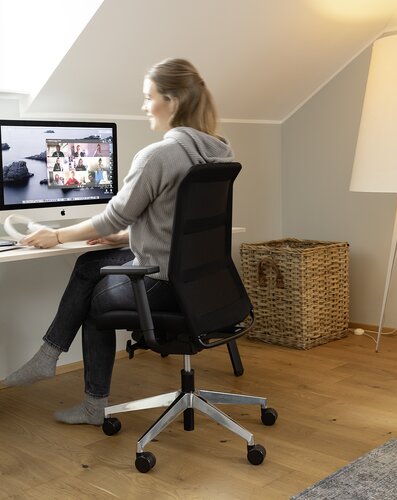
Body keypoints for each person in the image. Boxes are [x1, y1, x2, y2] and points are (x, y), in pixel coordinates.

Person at [3, 58, 234, 426]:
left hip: (164, 285)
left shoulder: (159, 156)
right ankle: (48, 358)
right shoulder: (217, 151)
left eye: (148, 97)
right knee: (90, 264)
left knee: (95, 305)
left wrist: (57, 235)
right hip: (201, 285)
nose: (143, 106)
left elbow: (114, 214)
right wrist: (127, 237)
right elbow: (179, 225)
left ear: (172, 102)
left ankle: (85, 397)